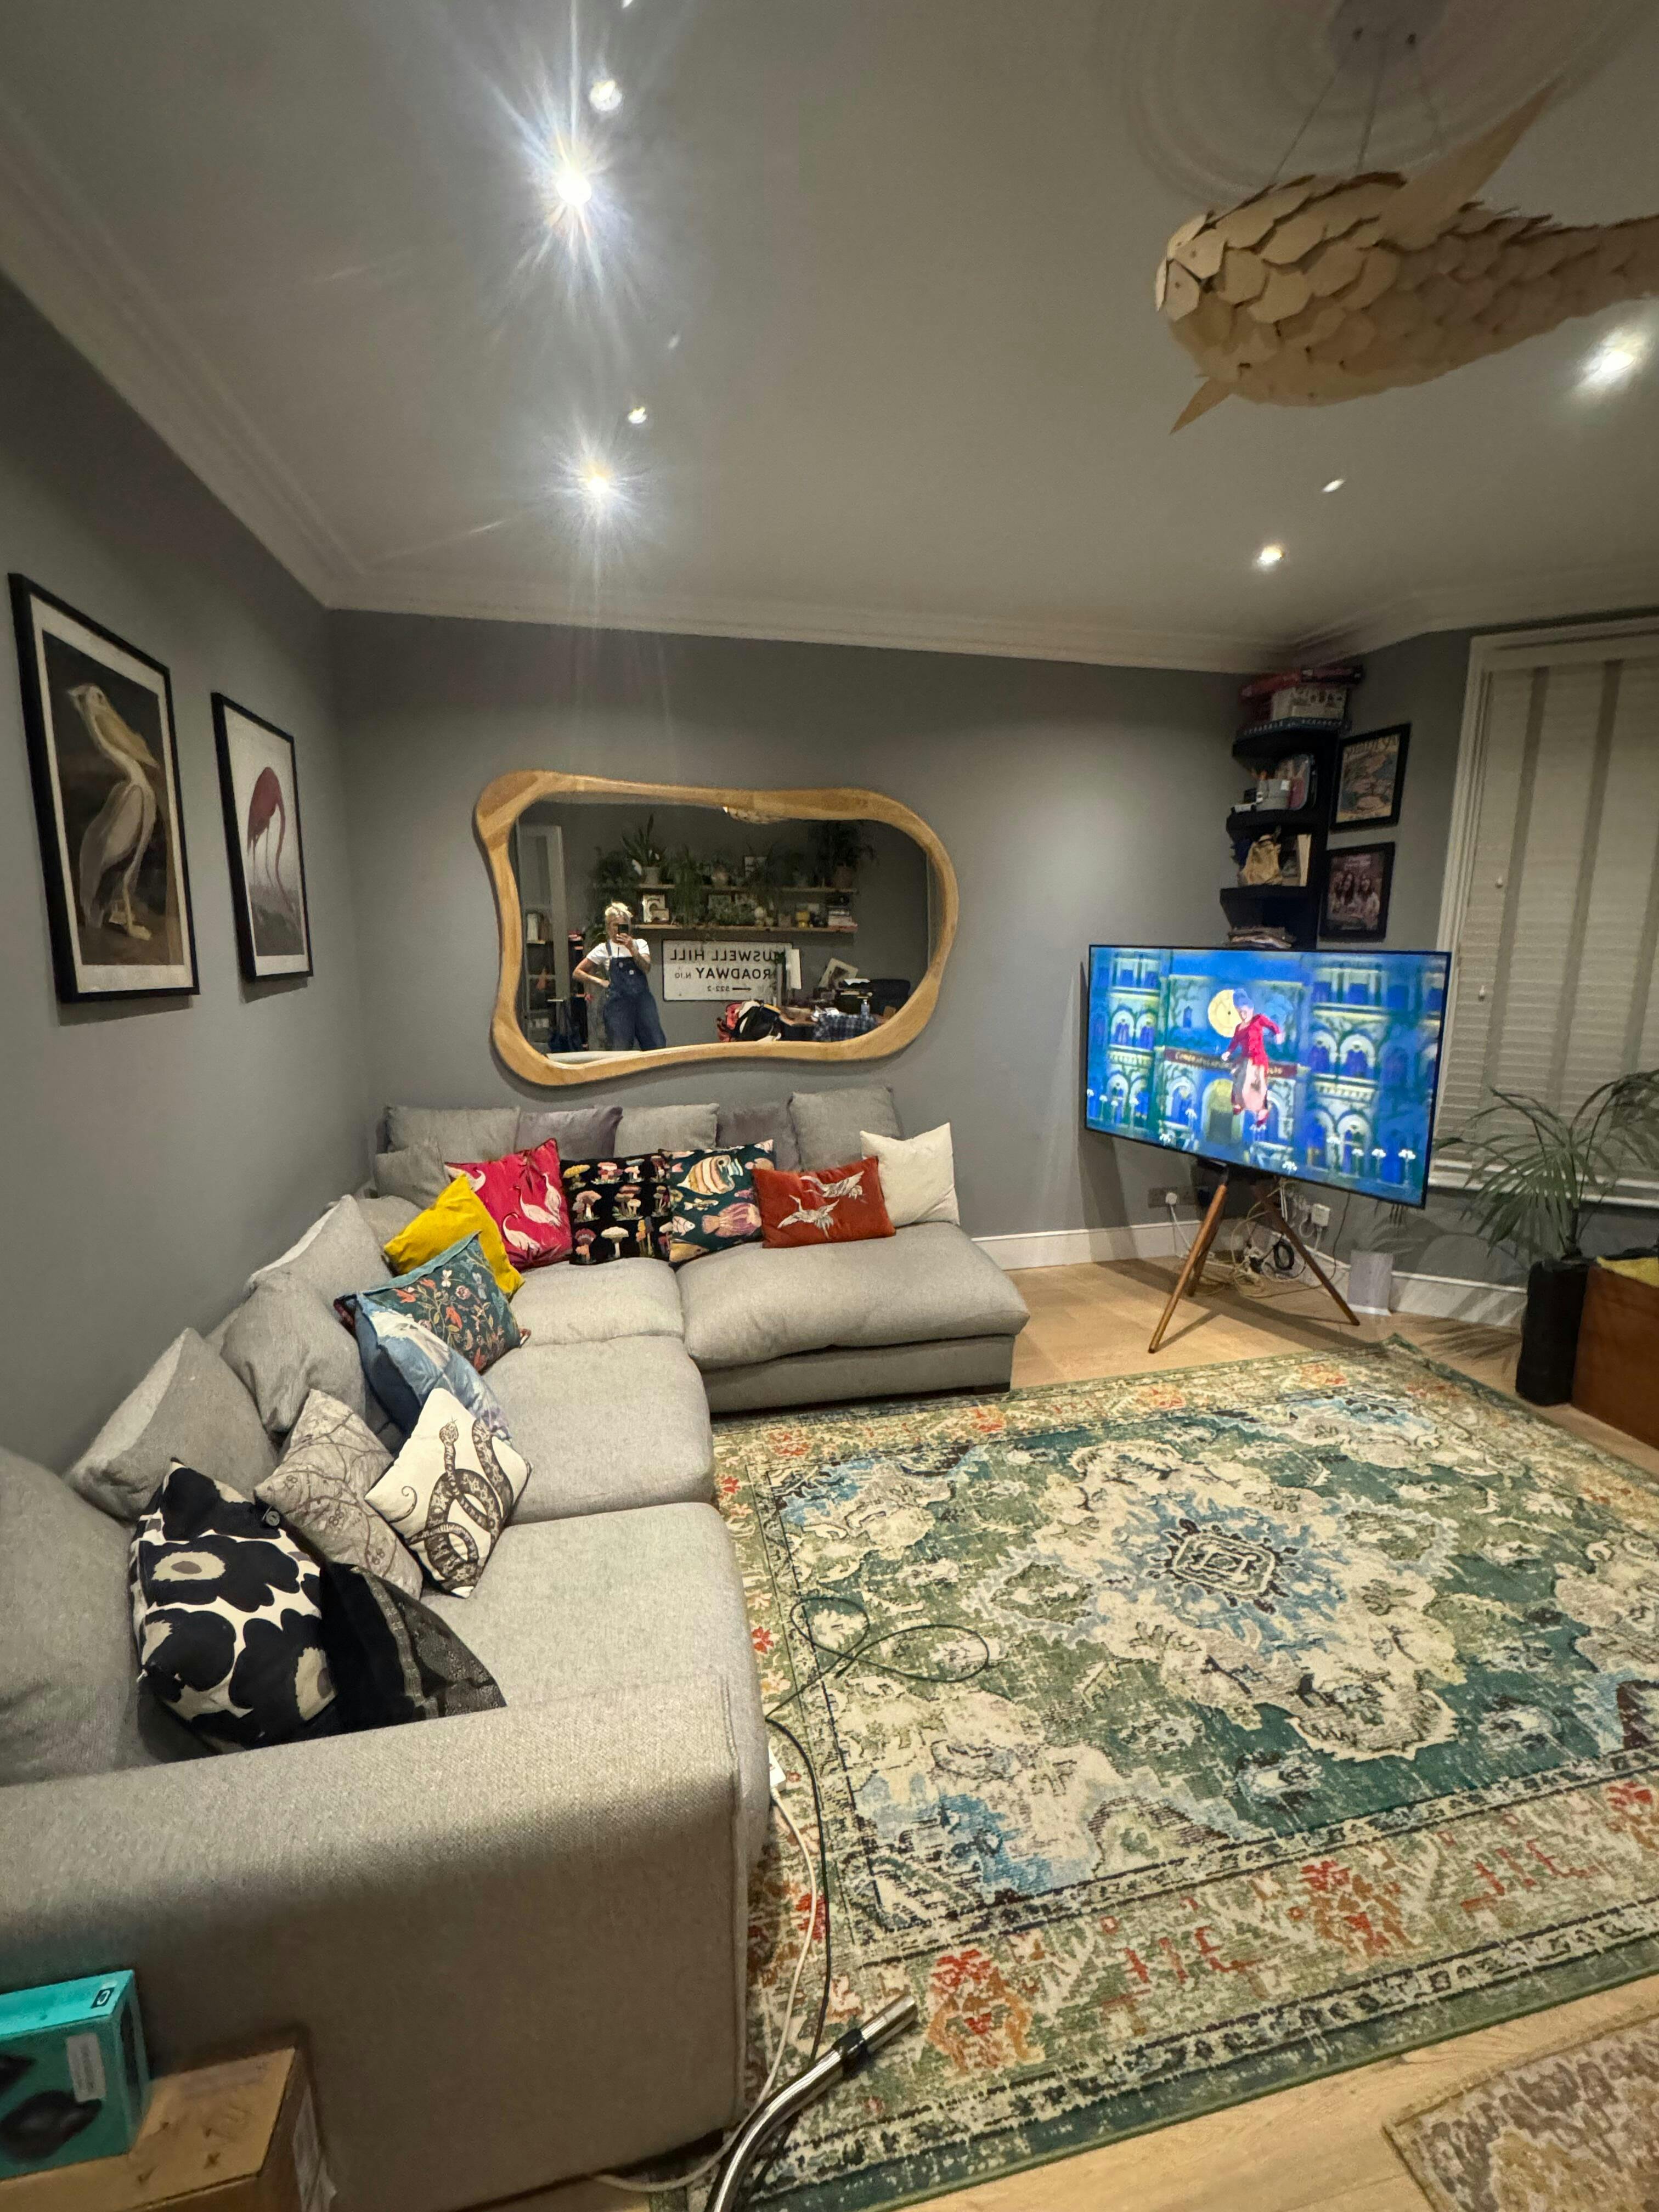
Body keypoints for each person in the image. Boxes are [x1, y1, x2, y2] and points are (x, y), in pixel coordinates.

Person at [573, 901, 668, 1052]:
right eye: (615, 925)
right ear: (608, 927)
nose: (618, 929)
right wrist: (600, 981)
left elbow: (646, 967)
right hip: (619, 1006)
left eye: (622, 925)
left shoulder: (640, 944)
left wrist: (632, 949)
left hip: (643, 1003)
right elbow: (577, 972)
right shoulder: (604, 949)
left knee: (656, 1044)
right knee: (620, 1048)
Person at [1225, 988, 1281, 1137]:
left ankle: (1261, 1109)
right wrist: (1228, 1052)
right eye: (1240, 1013)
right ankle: (1239, 1103)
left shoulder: (1258, 1019)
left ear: (1251, 1009)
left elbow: (1271, 1025)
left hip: (1258, 1058)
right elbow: (1234, 1042)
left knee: (1259, 1083)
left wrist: (1278, 1033)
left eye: (1245, 1012)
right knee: (1238, 1079)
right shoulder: (1239, 1028)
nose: (1243, 1015)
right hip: (1245, 1058)